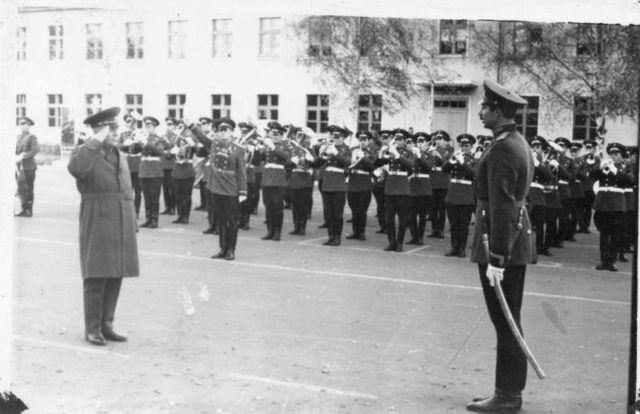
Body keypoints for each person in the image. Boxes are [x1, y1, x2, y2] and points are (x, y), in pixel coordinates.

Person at [468, 79, 535, 413]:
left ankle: (508, 395)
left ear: (497, 110)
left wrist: (497, 258)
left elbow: (503, 206)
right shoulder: (514, 141)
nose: (480, 111)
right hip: (511, 239)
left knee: (505, 319)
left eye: (484, 106)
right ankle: (509, 391)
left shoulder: (504, 147)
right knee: (509, 318)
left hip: (500, 243)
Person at [67, 107, 139, 346]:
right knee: (96, 275)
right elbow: (76, 169)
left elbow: (126, 189)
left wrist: (131, 223)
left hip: (121, 220)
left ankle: (107, 324)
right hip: (98, 218)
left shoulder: (119, 154)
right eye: (113, 128)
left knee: (116, 273)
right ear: (99, 130)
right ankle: (93, 328)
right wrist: (96, 140)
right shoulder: (83, 152)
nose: (118, 132)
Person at [189, 117, 247, 260]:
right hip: (216, 187)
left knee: (232, 221)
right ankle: (222, 249)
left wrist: (243, 191)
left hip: (231, 188)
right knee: (221, 220)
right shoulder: (214, 145)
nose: (223, 133)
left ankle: (231, 250)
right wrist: (191, 125)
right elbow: (202, 138)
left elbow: (241, 172)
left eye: (226, 130)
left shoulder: (238, 150)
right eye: (220, 131)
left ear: (232, 132)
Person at [590, 142, 633, 271]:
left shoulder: (626, 168)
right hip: (603, 204)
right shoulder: (604, 167)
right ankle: (604, 260)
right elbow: (591, 176)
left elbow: (630, 180)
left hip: (617, 205)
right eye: (611, 154)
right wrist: (599, 166)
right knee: (604, 234)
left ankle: (612, 261)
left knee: (615, 235)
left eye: (616, 154)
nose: (613, 156)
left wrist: (615, 170)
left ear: (621, 156)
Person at [377, 128, 414, 252]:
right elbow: (377, 163)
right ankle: (391, 242)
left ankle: (400, 243)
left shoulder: (408, 153)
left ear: (404, 141)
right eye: (396, 139)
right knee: (389, 219)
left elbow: (411, 165)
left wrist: (398, 155)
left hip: (403, 189)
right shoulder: (389, 151)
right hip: (390, 187)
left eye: (400, 139)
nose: (397, 141)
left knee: (402, 219)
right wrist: (384, 153)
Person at [443, 133, 477, 258]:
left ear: (471, 147)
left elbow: (474, 174)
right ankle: (454, 247)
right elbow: (444, 169)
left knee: (463, 225)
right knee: (453, 225)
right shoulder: (454, 157)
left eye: (466, 145)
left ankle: (461, 248)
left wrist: (463, 162)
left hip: (465, 195)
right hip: (452, 194)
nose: (463, 148)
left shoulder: (473, 160)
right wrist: (451, 161)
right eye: (461, 145)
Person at [259, 122, 292, 241]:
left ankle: (277, 232)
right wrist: (258, 150)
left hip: (278, 179)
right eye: (272, 134)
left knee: (278, 207)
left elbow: (286, 157)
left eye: (276, 134)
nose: (273, 136)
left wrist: (273, 147)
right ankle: (270, 231)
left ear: (281, 135)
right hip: (267, 178)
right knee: (268, 207)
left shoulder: (284, 145)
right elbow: (259, 160)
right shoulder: (268, 146)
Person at [346, 130, 376, 241]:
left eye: (365, 140)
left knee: (362, 210)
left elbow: (372, 167)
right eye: (361, 139)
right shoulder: (353, 150)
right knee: (354, 209)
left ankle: (361, 232)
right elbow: (347, 164)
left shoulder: (371, 152)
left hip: (364, 183)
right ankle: (355, 231)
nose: (362, 141)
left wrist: (363, 157)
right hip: (353, 182)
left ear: (368, 140)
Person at [138, 116, 165, 228]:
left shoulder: (159, 139)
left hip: (155, 172)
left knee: (154, 198)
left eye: (150, 126)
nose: (148, 129)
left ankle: (154, 220)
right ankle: (148, 218)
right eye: (146, 126)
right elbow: (133, 150)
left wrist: (147, 143)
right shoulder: (143, 138)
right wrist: (136, 142)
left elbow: (159, 151)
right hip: (144, 170)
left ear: (154, 127)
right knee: (146, 197)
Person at [407, 132, 433, 246]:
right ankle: (413, 236)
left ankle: (420, 237)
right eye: (418, 141)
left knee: (422, 215)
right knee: (412, 215)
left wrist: (419, 156)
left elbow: (429, 167)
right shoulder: (411, 155)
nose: (420, 144)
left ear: (427, 143)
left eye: (422, 142)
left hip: (423, 187)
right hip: (412, 186)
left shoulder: (429, 155)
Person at [170, 120, 197, 224]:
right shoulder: (175, 139)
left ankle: (186, 216)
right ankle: (180, 215)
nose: (180, 128)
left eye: (182, 127)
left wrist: (193, 144)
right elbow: (167, 155)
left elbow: (198, 151)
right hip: (177, 170)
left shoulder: (191, 137)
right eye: (178, 126)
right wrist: (171, 151)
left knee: (187, 195)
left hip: (187, 170)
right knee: (178, 195)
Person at [427, 130, 452, 238]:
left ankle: (441, 230)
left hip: (443, 183)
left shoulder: (449, 151)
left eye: (440, 139)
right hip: (432, 182)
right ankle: (434, 229)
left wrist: (440, 156)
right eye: (437, 139)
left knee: (442, 209)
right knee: (433, 208)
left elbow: (448, 166)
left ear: (446, 141)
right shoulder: (432, 150)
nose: (438, 141)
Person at [117, 113, 142, 218]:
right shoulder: (123, 134)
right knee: (127, 190)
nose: (130, 123)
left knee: (138, 190)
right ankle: (128, 210)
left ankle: (136, 211)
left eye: (132, 121)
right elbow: (118, 146)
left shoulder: (140, 133)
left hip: (137, 163)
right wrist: (124, 145)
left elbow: (143, 146)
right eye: (128, 121)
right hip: (126, 163)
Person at [15, 116, 39, 217]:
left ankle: (29, 210)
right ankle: (23, 208)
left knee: (29, 188)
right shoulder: (18, 137)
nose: (22, 126)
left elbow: (34, 150)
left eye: (24, 124)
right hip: (18, 167)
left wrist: (23, 156)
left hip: (29, 167)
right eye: (21, 124)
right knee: (21, 188)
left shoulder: (32, 137)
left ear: (28, 126)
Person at [160, 117, 177, 215]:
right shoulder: (163, 136)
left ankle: (173, 207)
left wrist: (167, 142)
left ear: (174, 125)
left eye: (170, 124)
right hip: (164, 164)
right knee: (165, 187)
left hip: (172, 165)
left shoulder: (176, 136)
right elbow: (160, 148)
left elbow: (174, 147)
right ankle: (167, 207)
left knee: (172, 187)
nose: (169, 126)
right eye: (167, 124)